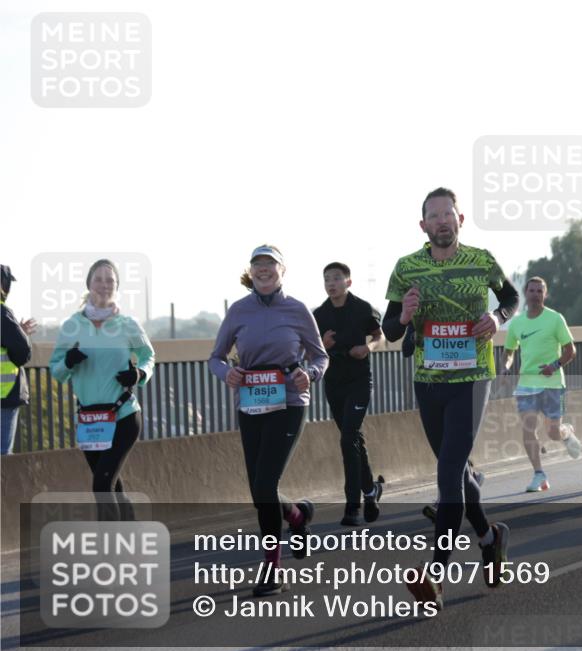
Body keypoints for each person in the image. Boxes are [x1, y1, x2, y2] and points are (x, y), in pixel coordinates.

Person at [382, 187, 519, 610]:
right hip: (428, 379)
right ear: (423, 225)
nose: (442, 221)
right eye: (433, 215)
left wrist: (497, 317)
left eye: (448, 214)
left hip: (473, 377)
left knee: (448, 473)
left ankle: (435, 577)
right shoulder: (407, 268)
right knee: (456, 474)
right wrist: (404, 315)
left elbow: (511, 297)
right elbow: (389, 329)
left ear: (461, 220)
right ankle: (489, 537)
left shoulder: (481, 261)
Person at [209, 245, 329, 596]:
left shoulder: (297, 309)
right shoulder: (238, 311)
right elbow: (215, 358)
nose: (264, 270)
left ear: (282, 270)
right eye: (257, 265)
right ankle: (296, 516)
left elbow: (320, 356)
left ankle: (272, 568)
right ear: (251, 271)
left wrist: (310, 373)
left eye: (270, 264)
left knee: (264, 485)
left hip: (289, 400)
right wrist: (226, 373)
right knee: (259, 489)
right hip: (250, 403)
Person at [49, 259, 155, 521]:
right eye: (99, 279)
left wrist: (139, 373)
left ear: (117, 287)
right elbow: (56, 370)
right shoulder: (72, 325)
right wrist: (68, 362)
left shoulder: (127, 324)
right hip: (89, 420)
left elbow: (148, 356)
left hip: (123, 414)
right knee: (112, 485)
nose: (104, 285)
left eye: (110, 280)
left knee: (101, 485)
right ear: (88, 284)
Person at [312, 261, 385, 526]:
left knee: (348, 438)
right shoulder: (319, 314)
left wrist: (367, 349)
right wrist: (324, 344)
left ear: (348, 282)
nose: (331, 283)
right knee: (352, 439)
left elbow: (380, 336)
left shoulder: (362, 308)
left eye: (336, 278)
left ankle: (352, 505)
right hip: (334, 383)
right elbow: (311, 350)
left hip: (359, 381)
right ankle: (371, 491)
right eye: (326, 279)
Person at [502, 276, 581, 492]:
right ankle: (539, 474)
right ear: (525, 294)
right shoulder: (517, 323)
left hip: (552, 382)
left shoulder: (555, 319)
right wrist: (507, 365)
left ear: (544, 295)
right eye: (532, 291)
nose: (535, 294)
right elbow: (509, 350)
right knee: (528, 428)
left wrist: (553, 366)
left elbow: (570, 351)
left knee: (552, 432)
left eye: (539, 291)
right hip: (526, 383)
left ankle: (566, 432)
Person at [1, 265, 35, 455]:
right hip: (3, 396)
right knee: (3, 457)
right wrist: (20, 332)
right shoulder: (2, 313)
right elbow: (22, 352)